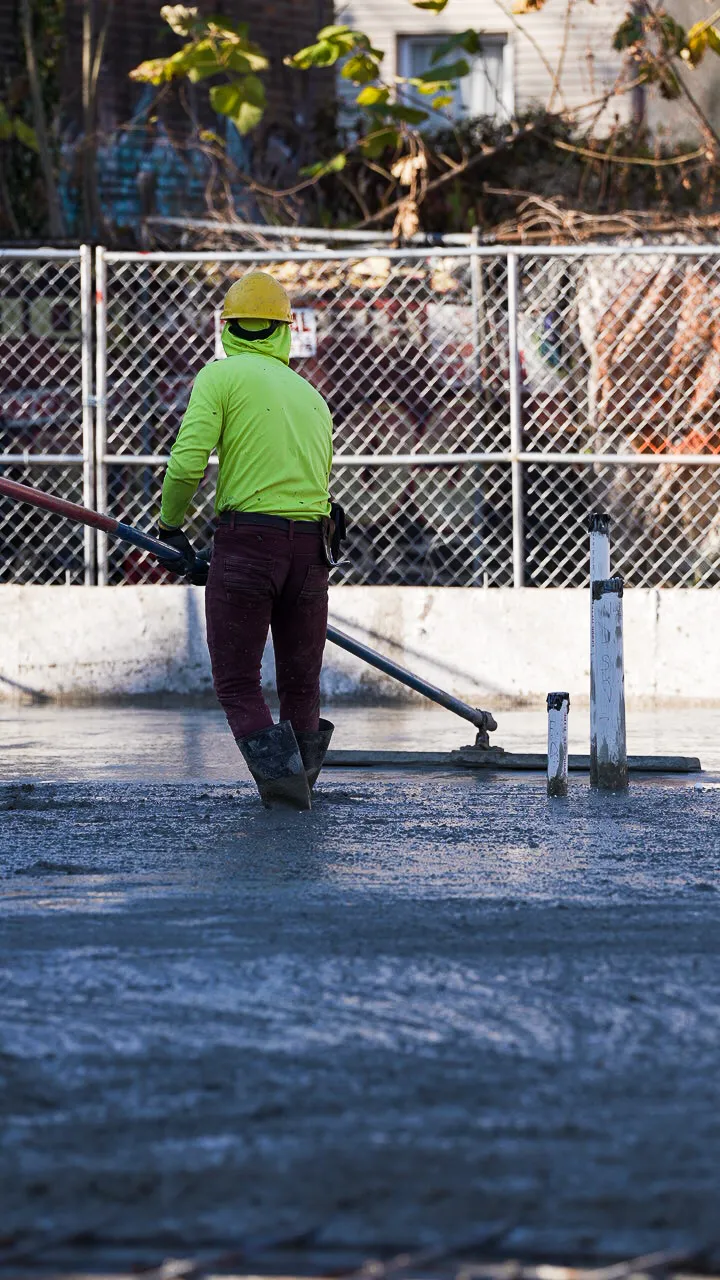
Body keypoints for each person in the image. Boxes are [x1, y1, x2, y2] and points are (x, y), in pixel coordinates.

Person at [157, 270, 336, 811]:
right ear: (285, 331)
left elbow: (188, 462)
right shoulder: (313, 397)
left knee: (237, 681)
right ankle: (301, 783)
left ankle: (285, 794)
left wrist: (170, 526)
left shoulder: (221, 377)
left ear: (227, 328)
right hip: (312, 551)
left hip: (247, 545)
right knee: (300, 684)